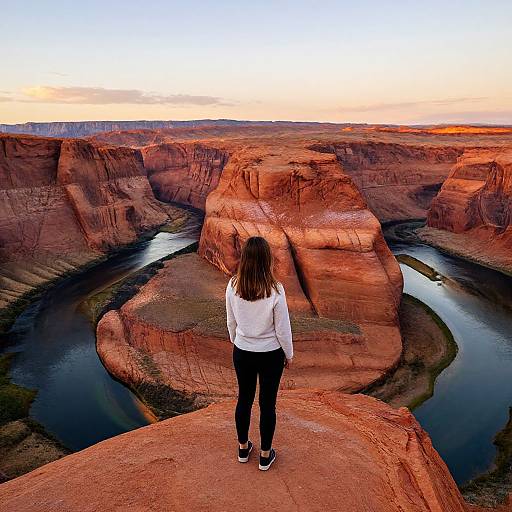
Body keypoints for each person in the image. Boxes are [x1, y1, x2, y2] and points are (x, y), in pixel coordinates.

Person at [225, 236, 293, 471]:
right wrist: (289, 354)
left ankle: (243, 449)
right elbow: (282, 328)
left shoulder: (233, 285)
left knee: (244, 399)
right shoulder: (276, 290)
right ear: (266, 260)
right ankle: (265, 456)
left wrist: (238, 342)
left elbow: (230, 321)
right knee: (267, 404)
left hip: (242, 351)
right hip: (270, 354)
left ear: (245, 259)